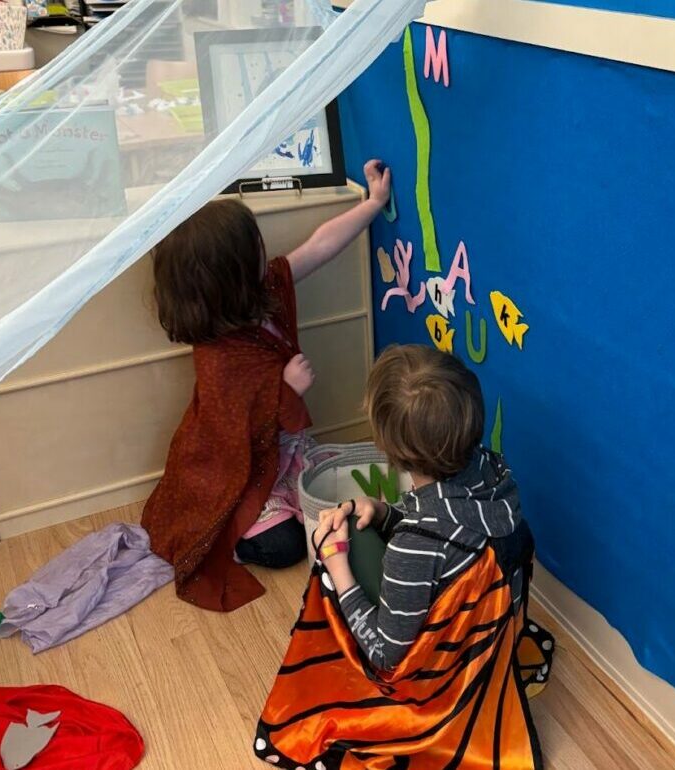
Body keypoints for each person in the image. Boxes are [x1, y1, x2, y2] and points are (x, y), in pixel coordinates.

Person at [255, 345, 554, 769]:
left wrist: (339, 570)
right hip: (491, 644)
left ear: (388, 447)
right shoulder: (495, 471)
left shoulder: (415, 545)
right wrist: (384, 513)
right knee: (356, 532)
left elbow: (386, 654)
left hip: (443, 690)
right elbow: (452, 542)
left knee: (333, 556)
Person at [140, 160, 391, 612]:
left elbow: (320, 246)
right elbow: (228, 435)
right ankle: (234, 539)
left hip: (282, 454)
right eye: (253, 249)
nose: (265, 251)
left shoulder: (267, 289)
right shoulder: (219, 354)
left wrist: (373, 204)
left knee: (339, 496)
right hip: (239, 471)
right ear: (228, 278)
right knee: (286, 545)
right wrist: (285, 392)